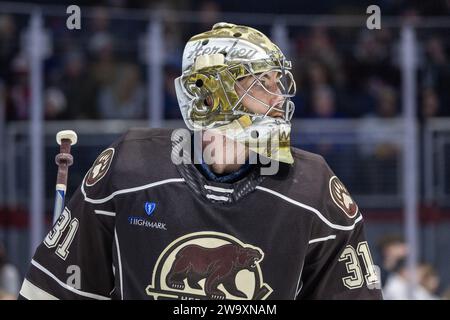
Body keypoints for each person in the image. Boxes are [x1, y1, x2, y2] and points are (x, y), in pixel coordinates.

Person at [19, 22, 382, 300]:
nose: (278, 98)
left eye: (278, 83)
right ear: (210, 93)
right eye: (262, 84)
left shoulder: (315, 189)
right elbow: (53, 290)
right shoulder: (129, 167)